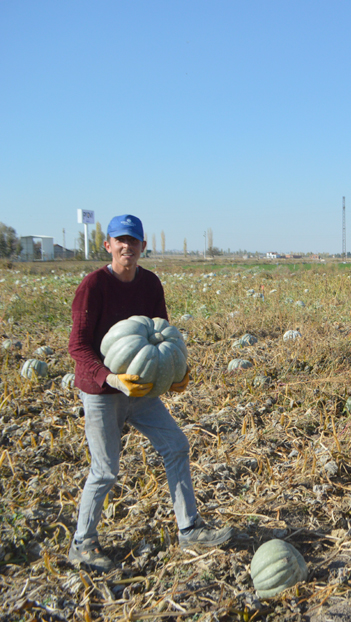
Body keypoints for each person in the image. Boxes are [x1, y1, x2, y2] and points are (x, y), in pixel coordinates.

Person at [67, 214, 232, 573]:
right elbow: (78, 347)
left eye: (134, 241)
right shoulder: (93, 286)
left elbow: (163, 335)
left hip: (139, 391)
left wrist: (177, 374)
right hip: (101, 391)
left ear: (143, 246)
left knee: (176, 445)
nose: (127, 247)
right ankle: (82, 543)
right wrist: (111, 379)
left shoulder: (150, 284)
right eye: (120, 240)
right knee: (106, 470)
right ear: (108, 245)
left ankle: (189, 529)